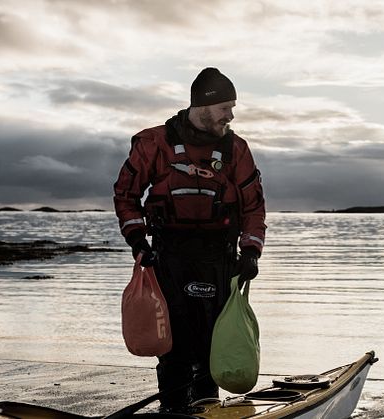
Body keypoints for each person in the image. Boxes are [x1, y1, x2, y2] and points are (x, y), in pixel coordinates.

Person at [113, 67, 266, 410]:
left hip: (219, 257)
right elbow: (125, 196)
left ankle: (208, 408)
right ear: (203, 104)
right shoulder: (154, 143)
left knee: (213, 341)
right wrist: (138, 242)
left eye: (232, 107)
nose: (231, 114)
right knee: (175, 344)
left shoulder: (236, 150)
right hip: (169, 255)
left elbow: (254, 207)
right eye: (225, 106)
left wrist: (251, 252)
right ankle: (173, 409)